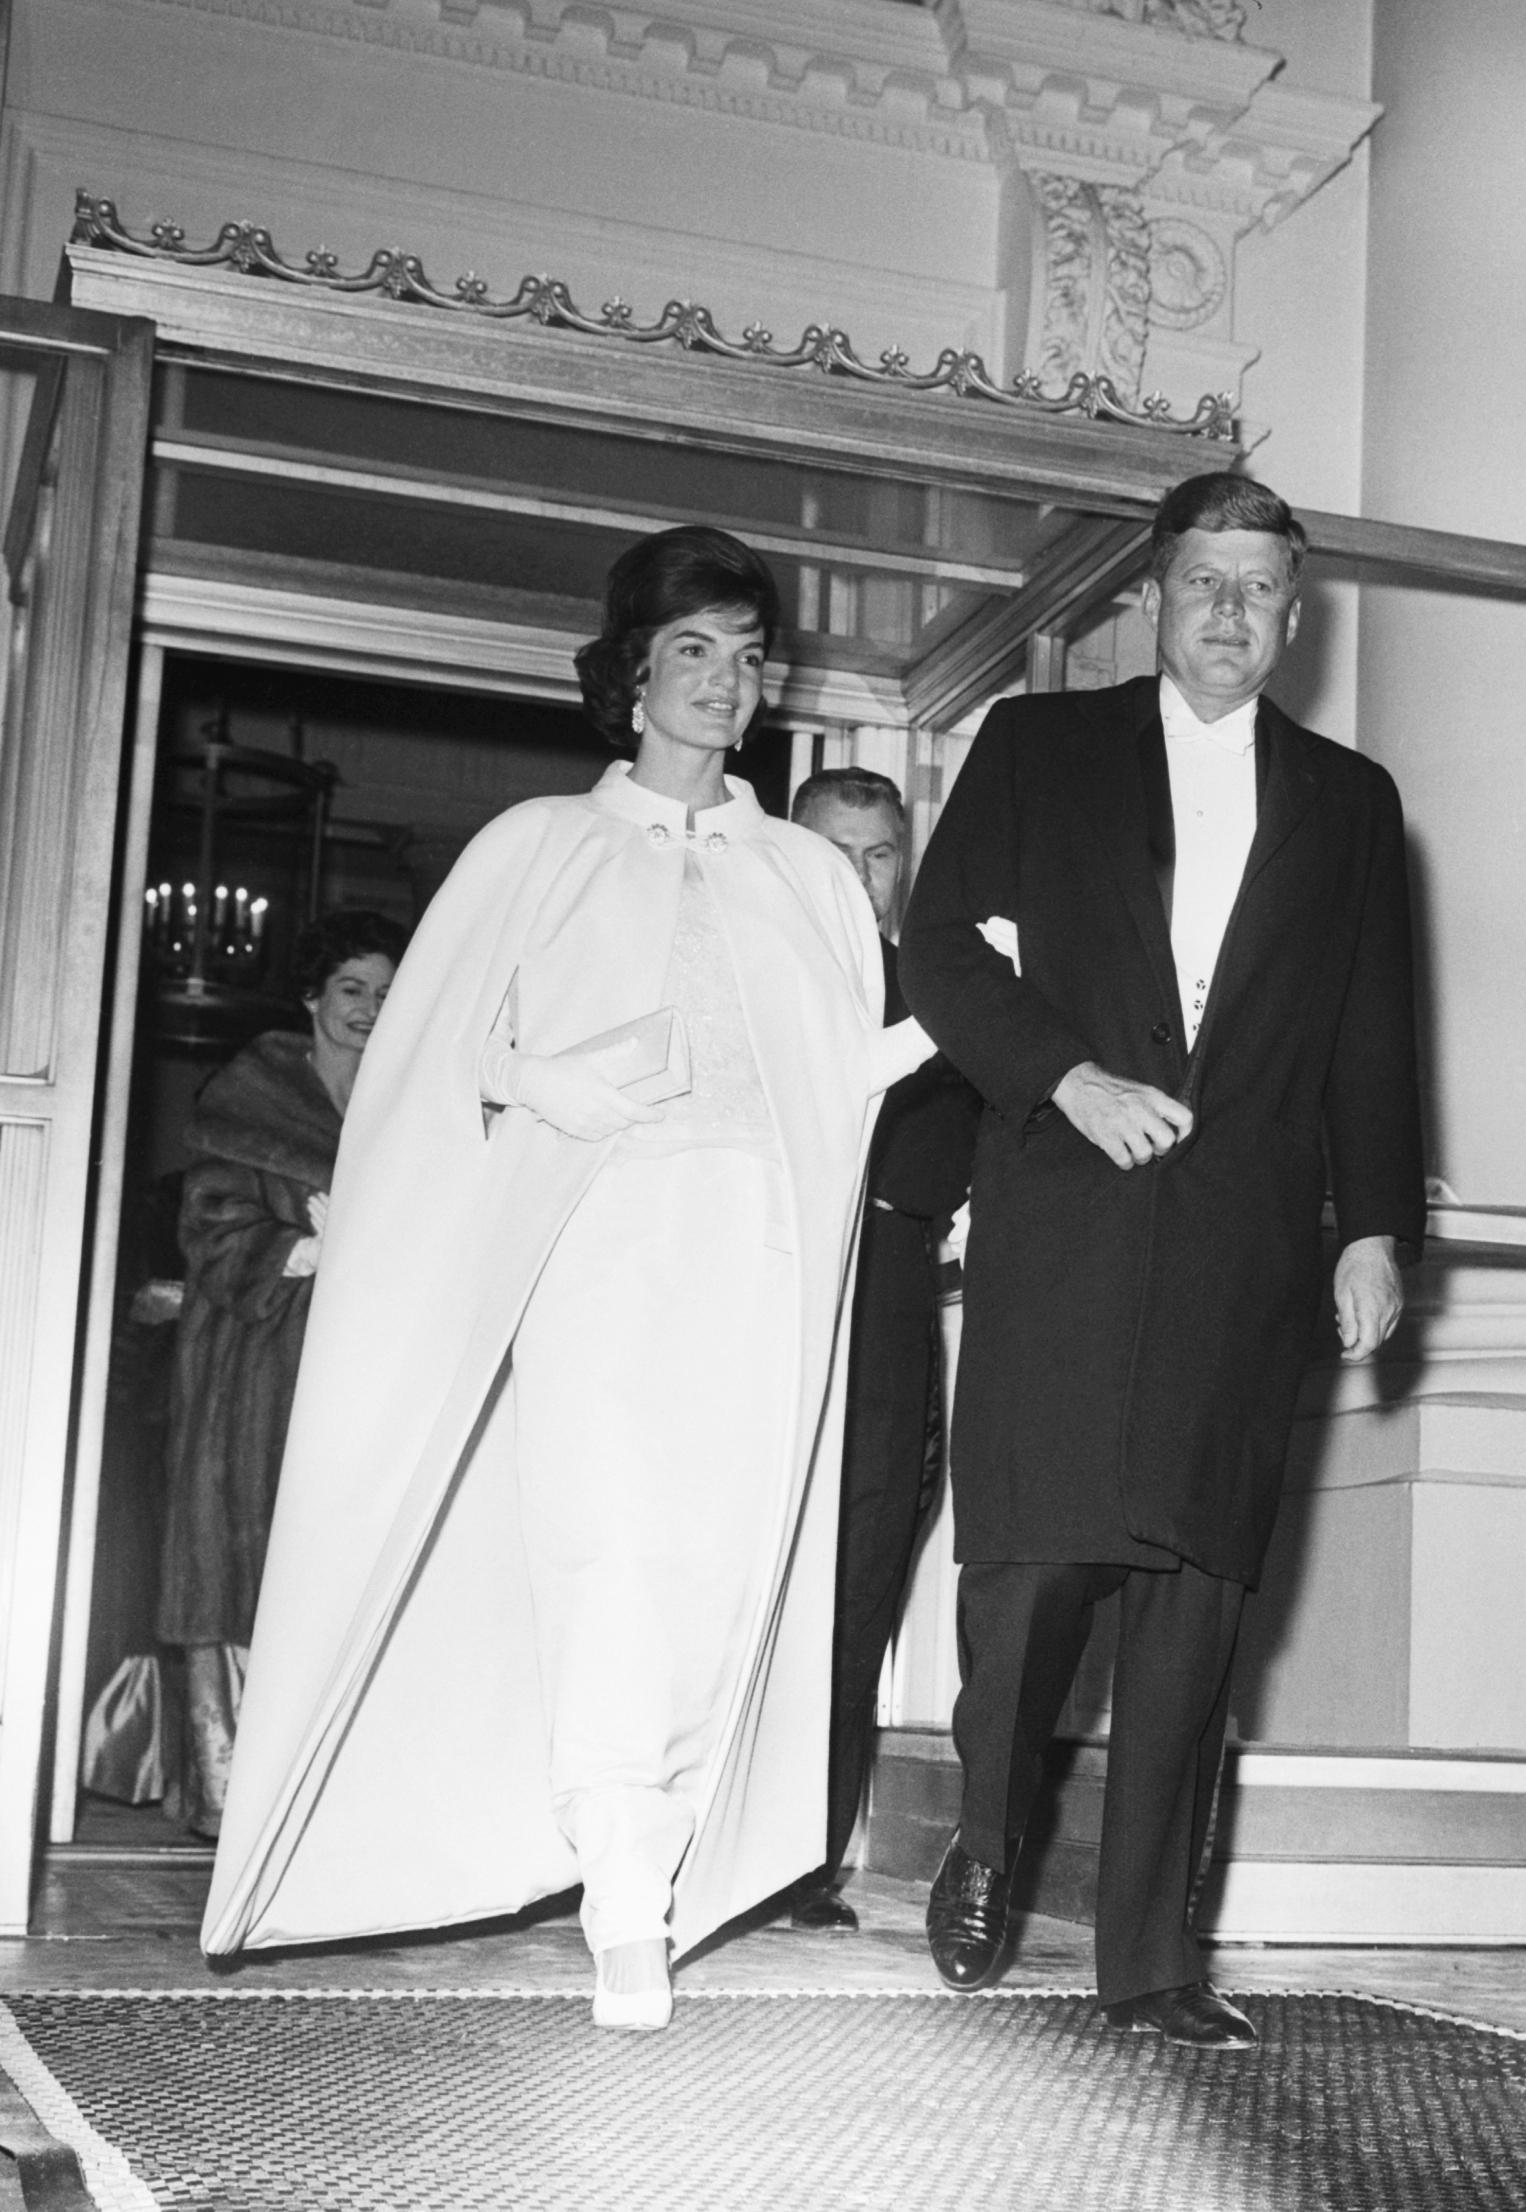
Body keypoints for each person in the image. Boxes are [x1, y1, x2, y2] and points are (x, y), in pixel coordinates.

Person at [201, 527, 929, 2032]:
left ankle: (655, 1856)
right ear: (630, 676)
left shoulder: (805, 873)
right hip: (598, 1251)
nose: (723, 686)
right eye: (691, 654)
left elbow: (837, 1083)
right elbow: (432, 1066)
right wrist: (536, 1078)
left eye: (746, 657)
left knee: (721, 1572)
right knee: (607, 1553)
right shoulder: (533, 846)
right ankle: (618, 1893)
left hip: (758, 1259)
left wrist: (977, 1016)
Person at [898, 473, 1425, 2051]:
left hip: (1241, 1242)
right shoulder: (1038, 747)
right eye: (1205, 581)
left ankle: (1148, 1964)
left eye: (1260, 590)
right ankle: (990, 1832)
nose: (1229, 614)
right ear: (1153, 592)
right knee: (1034, 1568)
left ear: (1292, 613)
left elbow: (1369, 1032)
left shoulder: (1347, 801)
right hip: (1065, 1206)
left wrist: (1372, 1224)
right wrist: (1063, 1077)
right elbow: (934, 955)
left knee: (1194, 1600)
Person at [157, 909, 405, 1836]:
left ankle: (322, 1803)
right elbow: (209, 1227)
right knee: (237, 1565)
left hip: (362, 1362)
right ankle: (235, 1799)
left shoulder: (405, 1097)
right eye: (352, 989)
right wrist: (306, 1246)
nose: (371, 1010)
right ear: (312, 996)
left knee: (342, 1568)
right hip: (253, 1360)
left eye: (387, 993)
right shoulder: (254, 1088)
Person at [786, 769, 980, 1932]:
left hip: (892, 1294)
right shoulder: (747, 977)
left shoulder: (946, 998)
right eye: (834, 851)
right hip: (761, 1289)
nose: (857, 878)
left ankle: (806, 1859)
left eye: (879, 854)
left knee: (861, 1576)